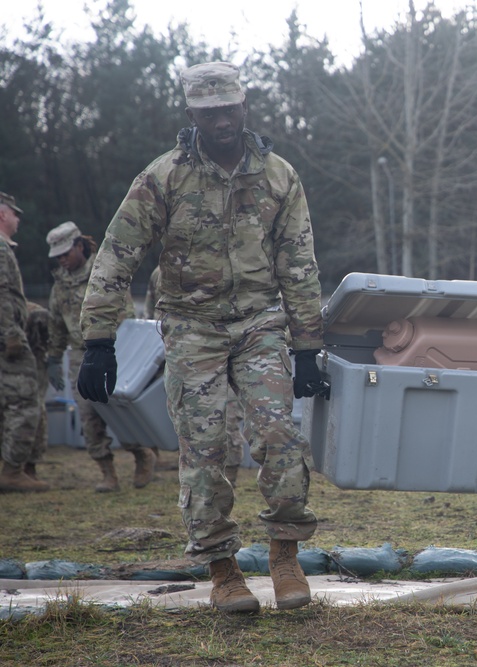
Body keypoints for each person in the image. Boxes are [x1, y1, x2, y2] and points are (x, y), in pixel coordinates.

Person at [77, 61, 329, 614]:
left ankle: (285, 557)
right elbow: (116, 256)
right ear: (191, 113)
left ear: (245, 106)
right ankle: (223, 571)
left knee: (280, 436)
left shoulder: (279, 176)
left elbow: (300, 263)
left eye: (229, 109)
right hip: (192, 327)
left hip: (260, 324)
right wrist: (97, 340)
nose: (220, 120)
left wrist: (308, 345)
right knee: (207, 451)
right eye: (208, 111)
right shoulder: (163, 177)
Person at [45, 221, 157, 492]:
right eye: (57, 256)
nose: (62, 260)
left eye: (66, 253)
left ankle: (142, 455)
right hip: (79, 356)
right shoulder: (60, 285)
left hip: (111, 351)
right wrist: (53, 358)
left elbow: (126, 314)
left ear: (80, 246)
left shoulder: (105, 272)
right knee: (88, 416)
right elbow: (56, 325)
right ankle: (108, 473)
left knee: (119, 410)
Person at [144, 265, 246, 485]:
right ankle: (203, 481)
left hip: (222, 352)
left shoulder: (219, 263)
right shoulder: (159, 273)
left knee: (227, 421)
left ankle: (230, 479)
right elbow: (153, 313)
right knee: (190, 424)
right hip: (181, 357)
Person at [0, 191, 49, 492]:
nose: (19, 219)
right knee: (25, 402)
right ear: (3, 215)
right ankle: (12, 470)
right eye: (15, 213)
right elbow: (3, 295)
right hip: (9, 341)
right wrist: (11, 333)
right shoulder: (1, 250)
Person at [25, 302, 52, 480]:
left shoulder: (32, 312)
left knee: (34, 411)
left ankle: (29, 466)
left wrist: (54, 357)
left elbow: (52, 333)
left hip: (31, 367)